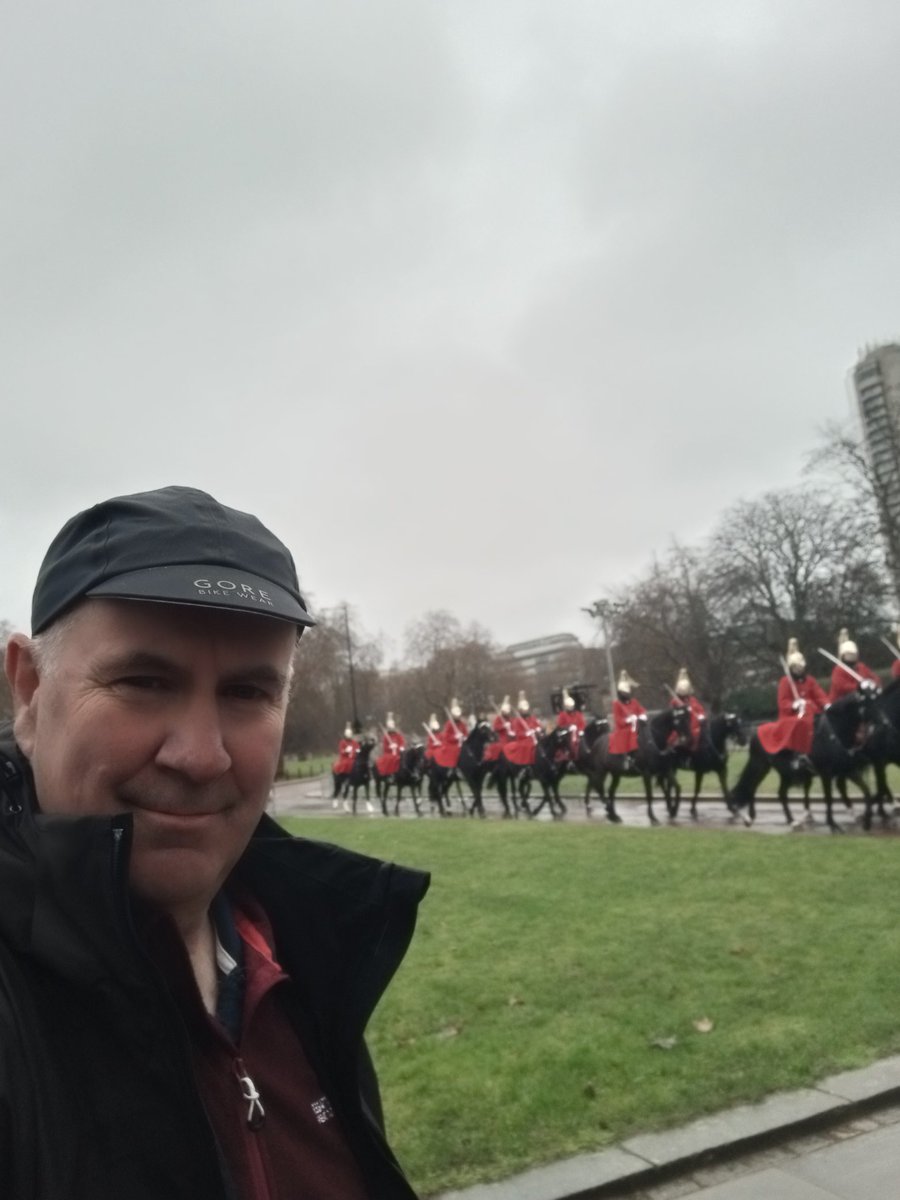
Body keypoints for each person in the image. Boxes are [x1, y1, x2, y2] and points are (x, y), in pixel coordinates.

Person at [0, 485, 429, 1200]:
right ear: (30, 692)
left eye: (248, 694)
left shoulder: (299, 953)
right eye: (143, 681)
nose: (201, 756)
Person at [757, 638, 827, 763]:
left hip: (811, 711)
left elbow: (819, 694)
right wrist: (794, 705)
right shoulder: (785, 681)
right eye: (795, 667)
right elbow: (782, 702)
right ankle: (799, 754)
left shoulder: (810, 680)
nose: (798, 669)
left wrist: (826, 704)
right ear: (791, 668)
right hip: (791, 716)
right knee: (801, 723)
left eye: (800, 667)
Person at [826, 628, 881, 703]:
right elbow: (841, 687)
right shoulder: (838, 670)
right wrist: (860, 687)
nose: (852, 656)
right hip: (842, 702)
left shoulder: (861, 666)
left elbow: (873, 676)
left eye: (854, 654)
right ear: (843, 656)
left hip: (861, 698)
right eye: (849, 654)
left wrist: (874, 683)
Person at [608, 670, 646, 759]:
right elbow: (618, 720)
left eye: (627, 693)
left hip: (637, 725)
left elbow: (641, 710)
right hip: (624, 728)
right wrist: (627, 720)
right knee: (630, 732)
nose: (626, 694)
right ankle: (629, 756)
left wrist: (642, 716)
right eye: (624, 693)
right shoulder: (617, 704)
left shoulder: (634, 702)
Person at [503, 691, 543, 767]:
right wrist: (526, 734)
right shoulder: (517, 721)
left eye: (526, 710)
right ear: (521, 711)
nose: (525, 711)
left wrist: (537, 729)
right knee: (528, 746)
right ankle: (529, 764)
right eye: (524, 710)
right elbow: (517, 734)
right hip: (523, 740)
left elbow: (538, 726)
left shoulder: (532, 718)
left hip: (536, 738)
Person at [669, 668, 706, 749]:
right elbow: (672, 714)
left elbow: (700, 710)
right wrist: (682, 711)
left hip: (696, 725)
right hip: (683, 726)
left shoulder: (693, 700)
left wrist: (701, 717)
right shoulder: (674, 702)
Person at [434, 698, 468, 769]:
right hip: (451, 744)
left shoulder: (462, 724)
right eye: (456, 715)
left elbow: (466, 733)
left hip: (462, 743)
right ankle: (452, 767)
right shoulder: (449, 724)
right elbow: (446, 736)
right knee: (454, 751)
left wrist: (464, 737)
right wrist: (455, 737)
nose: (458, 716)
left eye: (458, 715)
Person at [332, 721, 359, 801]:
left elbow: (358, 749)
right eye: (348, 735)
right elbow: (341, 752)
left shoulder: (354, 742)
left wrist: (357, 751)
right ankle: (344, 778)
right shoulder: (342, 742)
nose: (349, 736)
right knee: (346, 764)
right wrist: (346, 751)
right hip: (345, 759)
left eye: (350, 735)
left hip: (353, 758)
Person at [555, 687, 586, 757]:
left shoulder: (578, 714)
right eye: (569, 707)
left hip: (578, 733)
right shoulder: (562, 715)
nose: (571, 708)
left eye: (572, 707)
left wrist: (581, 730)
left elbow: (582, 723)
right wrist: (568, 728)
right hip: (567, 734)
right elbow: (560, 725)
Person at [374, 712, 405, 779]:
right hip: (389, 753)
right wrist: (390, 747)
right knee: (390, 758)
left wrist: (399, 747)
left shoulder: (398, 735)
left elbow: (402, 742)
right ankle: (390, 774)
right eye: (390, 728)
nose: (391, 729)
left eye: (392, 728)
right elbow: (384, 747)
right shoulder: (386, 737)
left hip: (398, 752)